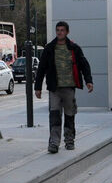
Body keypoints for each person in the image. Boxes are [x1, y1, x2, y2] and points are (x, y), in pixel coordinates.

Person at [35, 21, 93, 154]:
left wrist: (88, 81)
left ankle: (69, 140)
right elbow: (41, 69)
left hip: (69, 88)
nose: (59, 32)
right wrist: (37, 87)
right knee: (54, 116)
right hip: (54, 89)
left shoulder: (74, 48)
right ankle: (54, 143)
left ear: (67, 32)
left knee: (69, 115)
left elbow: (84, 65)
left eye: (62, 30)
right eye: (58, 30)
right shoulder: (49, 48)